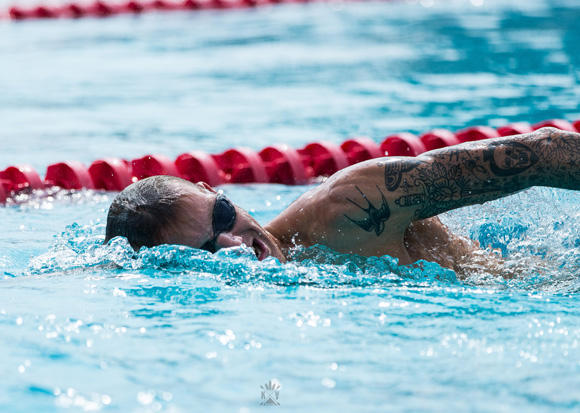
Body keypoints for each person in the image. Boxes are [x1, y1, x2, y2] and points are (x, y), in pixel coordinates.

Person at [104, 127, 579, 276]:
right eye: (209, 249)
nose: (235, 241)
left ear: (217, 192)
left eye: (224, 215)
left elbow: (543, 151)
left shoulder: (354, 203)